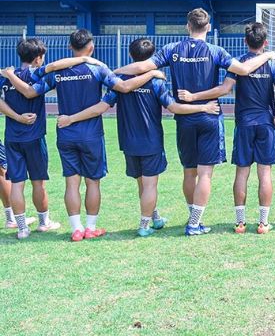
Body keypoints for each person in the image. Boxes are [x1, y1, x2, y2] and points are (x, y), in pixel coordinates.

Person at [114, 8, 275, 236]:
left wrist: (113, 72)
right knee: (205, 174)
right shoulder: (215, 50)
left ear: (188, 26)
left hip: (185, 119)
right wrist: (267, 56)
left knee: (189, 172)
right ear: (208, 27)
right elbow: (244, 69)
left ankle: (193, 219)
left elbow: (142, 67)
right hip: (209, 116)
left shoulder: (172, 49)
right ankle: (194, 223)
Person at [3, 29, 162, 241]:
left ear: (70, 47)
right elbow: (123, 86)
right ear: (92, 47)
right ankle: (90, 227)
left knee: (71, 183)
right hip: (91, 135)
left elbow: (31, 91)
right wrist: (151, 73)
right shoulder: (97, 69)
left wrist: (11, 75)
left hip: (65, 133)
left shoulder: (57, 72)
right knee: (93, 183)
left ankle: (76, 229)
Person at [54, 38, 221, 237]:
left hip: (128, 140)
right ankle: (144, 225)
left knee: (142, 182)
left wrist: (71, 118)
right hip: (150, 140)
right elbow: (174, 107)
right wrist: (204, 107)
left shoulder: (119, 81)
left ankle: (155, 218)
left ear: (130, 56)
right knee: (150, 184)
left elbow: (101, 106)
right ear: (152, 58)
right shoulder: (157, 81)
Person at [178, 23, 275, 234]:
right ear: (265, 43)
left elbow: (224, 88)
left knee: (241, 172)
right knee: (264, 173)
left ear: (246, 42)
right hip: (265, 124)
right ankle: (263, 223)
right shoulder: (273, 66)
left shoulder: (237, 63)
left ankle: (240, 222)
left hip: (244, 124)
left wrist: (194, 97)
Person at [0, 38, 69, 238]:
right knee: (38, 182)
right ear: (38, 58)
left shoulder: (7, 77)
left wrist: (16, 117)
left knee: (17, 183)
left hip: (12, 137)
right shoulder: (38, 75)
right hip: (35, 137)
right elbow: (34, 90)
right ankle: (44, 222)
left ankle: (21, 228)